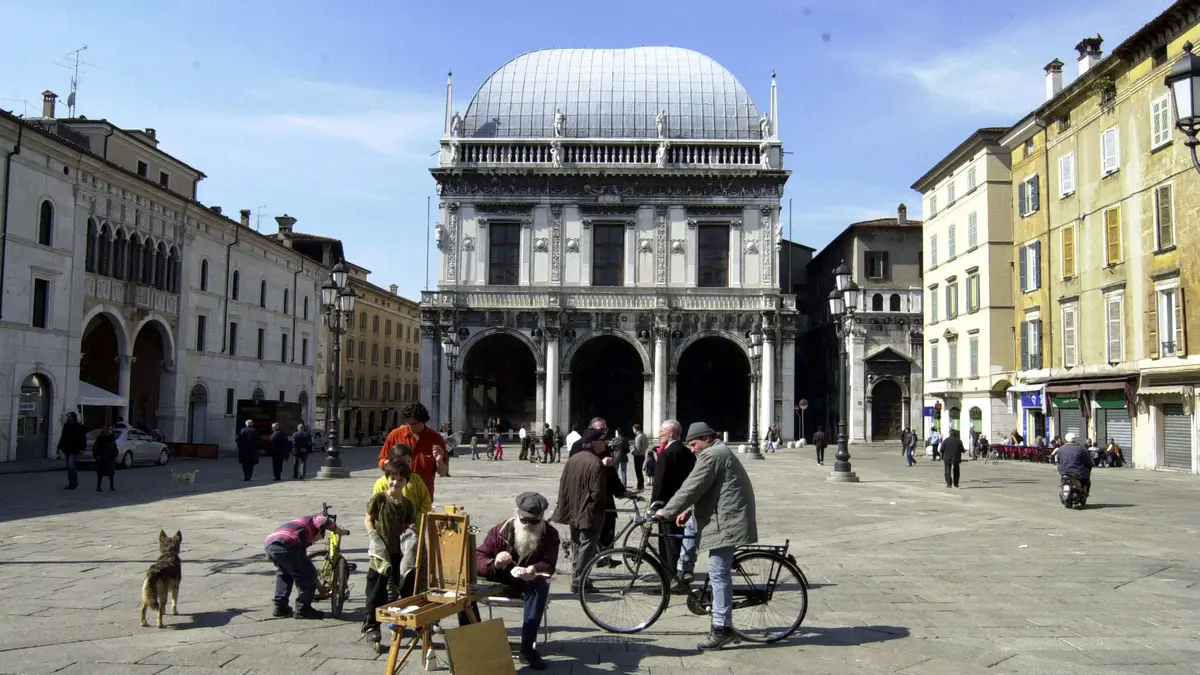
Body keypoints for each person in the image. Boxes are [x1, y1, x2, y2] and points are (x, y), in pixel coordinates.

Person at [657, 422, 758, 651]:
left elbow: (692, 487)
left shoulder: (712, 455)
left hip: (728, 521)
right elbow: (712, 489)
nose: (692, 449)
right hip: (726, 516)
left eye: (694, 444)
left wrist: (668, 511)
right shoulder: (718, 452)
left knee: (718, 572)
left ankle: (722, 629)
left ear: (706, 438)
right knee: (717, 571)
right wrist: (688, 510)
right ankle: (721, 621)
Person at [467, 492, 559, 670]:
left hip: (528, 584)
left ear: (542, 517)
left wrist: (535, 569)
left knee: (539, 586)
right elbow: (478, 558)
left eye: (535, 522)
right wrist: (495, 563)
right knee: (464, 592)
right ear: (517, 514)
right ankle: (474, 642)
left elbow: (549, 564)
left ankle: (527, 647)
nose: (529, 526)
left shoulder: (550, 534)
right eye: (525, 521)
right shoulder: (500, 530)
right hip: (500, 581)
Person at [362, 459, 418, 648]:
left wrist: (410, 528)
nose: (396, 483)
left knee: (404, 587)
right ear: (387, 479)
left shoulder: (408, 504)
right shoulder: (378, 499)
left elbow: (409, 523)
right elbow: (368, 520)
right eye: (393, 479)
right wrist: (374, 538)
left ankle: (399, 621)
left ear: (406, 482)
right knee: (376, 591)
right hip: (380, 553)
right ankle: (371, 627)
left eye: (400, 480)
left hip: (399, 552)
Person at [551, 428, 609, 594]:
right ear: (593, 443)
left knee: (578, 545)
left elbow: (564, 485)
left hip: (573, 510)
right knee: (587, 546)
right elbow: (597, 493)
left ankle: (577, 577)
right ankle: (580, 580)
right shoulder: (595, 462)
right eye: (602, 440)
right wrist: (598, 508)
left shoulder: (573, 459)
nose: (604, 443)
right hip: (589, 512)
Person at [263, 510, 348, 619]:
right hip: (287, 544)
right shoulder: (313, 520)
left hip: (270, 545)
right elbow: (324, 520)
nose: (316, 540)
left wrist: (319, 587)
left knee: (285, 573)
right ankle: (303, 610)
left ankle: (280, 608)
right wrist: (338, 530)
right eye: (320, 536)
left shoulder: (299, 528)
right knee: (309, 574)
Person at [651, 419, 696, 589]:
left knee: (667, 543)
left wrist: (654, 506)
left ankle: (669, 577)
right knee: (679, 541)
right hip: (683, 504)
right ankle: (679, 572)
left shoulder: (667, 454)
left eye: (662, 430)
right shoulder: (686, 452)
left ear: (671, 433)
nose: (659, 433)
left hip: (668, 505)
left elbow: (659, 484)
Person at [377, 402, 449, 501]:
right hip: (395, 497)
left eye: (414, 424)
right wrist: (386, 463)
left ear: (423, 421)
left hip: (422, 498)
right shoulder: (395, 435)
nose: (410, 427)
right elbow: (381, 459)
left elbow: (443, 473)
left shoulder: (436, 438)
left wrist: (439, 461)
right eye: (408, 423)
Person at [1056, 432, 1093, 498]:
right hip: (1077, 473)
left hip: (1064, 472)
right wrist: (1090, 464)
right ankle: (1084, 493)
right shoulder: (1080, 449)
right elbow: (1087, 461)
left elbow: (1058, 461)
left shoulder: (1060, 449)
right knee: (1086, 480)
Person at [57, 412, 87, 490]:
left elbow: (83, 439)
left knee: (71, 466)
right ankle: (72, 482)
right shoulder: (66, 426)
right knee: (69, 466)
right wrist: (59, 447)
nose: (68, 418)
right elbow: (63, 436)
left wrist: (82, 449)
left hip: (74, 449)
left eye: (70, 417)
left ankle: (74, 483)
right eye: (68, 417)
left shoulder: (78, 427)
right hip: (67, 448)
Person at [92, 425, 119, 492]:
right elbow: (96, 447)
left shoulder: (112, 437)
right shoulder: (100, 438)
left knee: (111, 473)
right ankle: (99, 486)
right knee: (100, 473)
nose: (110, 431)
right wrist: (97, 456)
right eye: (109, 429)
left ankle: (111, 486)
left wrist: (115, 454)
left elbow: (114, 447)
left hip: (110, 457)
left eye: (111, 429)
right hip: (102, 457)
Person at [631, 424, 649, 490]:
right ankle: (641, 485)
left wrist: (632, 452)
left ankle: (639, 485)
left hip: (638, 456)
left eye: (633, 429)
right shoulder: (644, 436)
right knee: (640, 471)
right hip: (643, 455)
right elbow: (647, 445)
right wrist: (643, 450)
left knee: (638, 471)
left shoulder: (638, 437)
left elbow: (637, 448)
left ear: (635, 429)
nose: (633, 431)